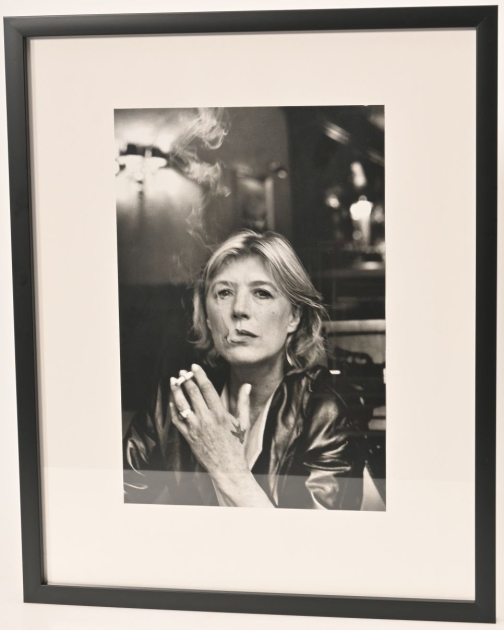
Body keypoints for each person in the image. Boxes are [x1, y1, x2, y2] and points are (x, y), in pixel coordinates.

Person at [123, 230, 368, 509]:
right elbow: (110, 510)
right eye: (224, 293)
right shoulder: (175, 401)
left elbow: (319, 537)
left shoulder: (326, 408)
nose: (239, 309)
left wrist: (230, 471)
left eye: (262, 293)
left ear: (294, 316)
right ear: (207, 316)